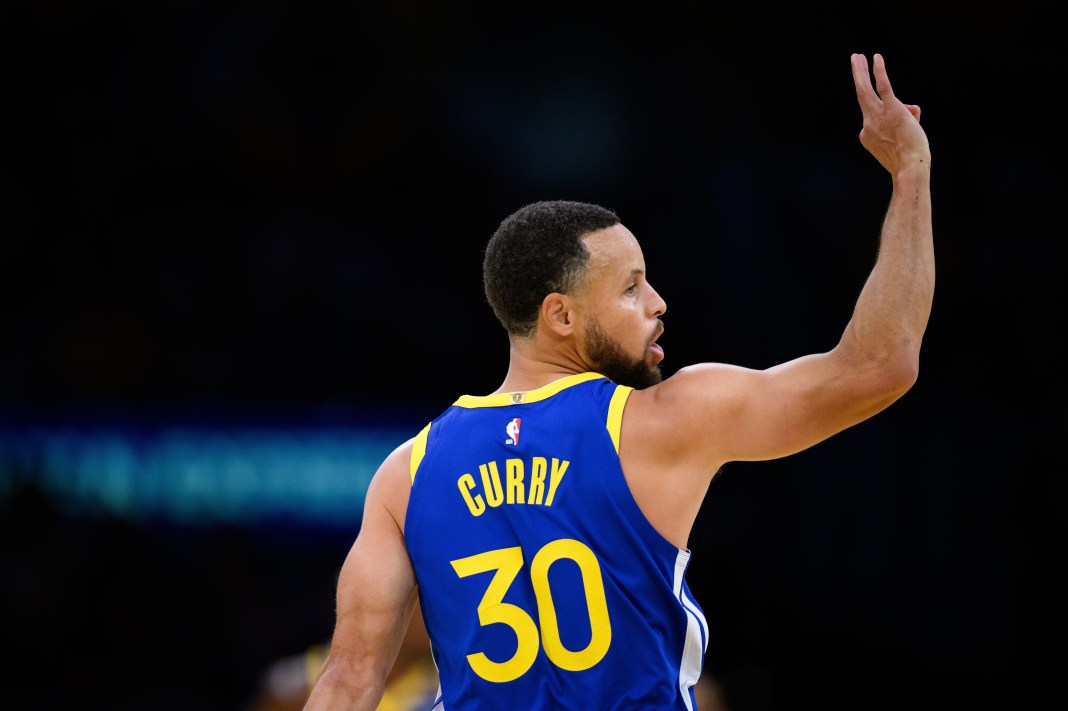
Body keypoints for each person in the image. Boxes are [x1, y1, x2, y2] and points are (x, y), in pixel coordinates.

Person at [304, 52, 933, 710]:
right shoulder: (661, 420)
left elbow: (348, 682)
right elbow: (879, 366)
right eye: (632, 288)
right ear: (562, 316)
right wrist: (911, 175)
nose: (659, 302)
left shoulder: (407, 472)